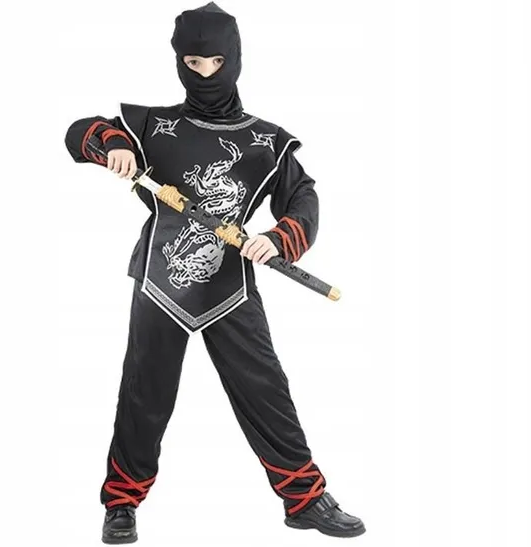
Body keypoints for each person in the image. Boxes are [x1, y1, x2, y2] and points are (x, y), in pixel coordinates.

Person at [64, 2, 365, 543]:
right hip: (161, 280)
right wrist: (112, 143)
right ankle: (122, 503)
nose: (204, 73)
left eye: (215, 62)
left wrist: (278, 238)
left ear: (236, 59)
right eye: (192, 62)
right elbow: (79, 132)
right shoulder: (151, 126)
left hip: (230, 285)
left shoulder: (267, 140)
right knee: (145, 391)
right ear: (178, 60)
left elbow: (302, 197)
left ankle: (303, 499)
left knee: (265, 387)